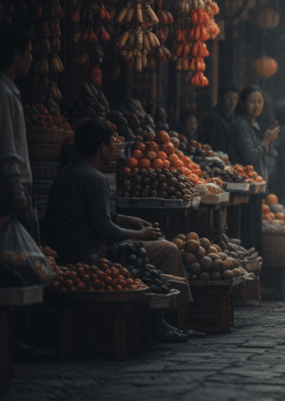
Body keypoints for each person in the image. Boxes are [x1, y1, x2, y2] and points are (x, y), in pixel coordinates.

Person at [39, 119, 196, 342]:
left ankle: (159, 321)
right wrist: (141, 235)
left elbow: (97, 215)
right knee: (168, 249)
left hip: (67, 251)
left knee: (148, 255)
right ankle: (168, 321)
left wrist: (131, 219)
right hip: (90, 254)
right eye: (112, 142)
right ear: (103, 147)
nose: (114, 147)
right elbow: (104, 229)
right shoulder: (96, 179)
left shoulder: (68, 172)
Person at [0, 27, 36, 242]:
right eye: (29, 53)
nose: (31, 59)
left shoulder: (9, 90)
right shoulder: (4, 94)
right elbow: (7, 147)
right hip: (14, 188)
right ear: (16, 55)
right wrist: (18, 194)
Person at [227, 85, 280, 181]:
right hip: (243, 182)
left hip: (256, 183)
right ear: (242, 104)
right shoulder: (240, 126)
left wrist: (269, 140)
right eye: (252, 102)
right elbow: (250, 156)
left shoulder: (253, 124)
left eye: (260, 102)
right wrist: (266, 141)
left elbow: (261, 153)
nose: (257, 106)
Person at [199, 83, 239, 153]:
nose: (232, 102)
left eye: (235, 99)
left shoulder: (234, 118)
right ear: (220, 98)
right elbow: (209, 146)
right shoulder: (212, 118)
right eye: (229, 98)